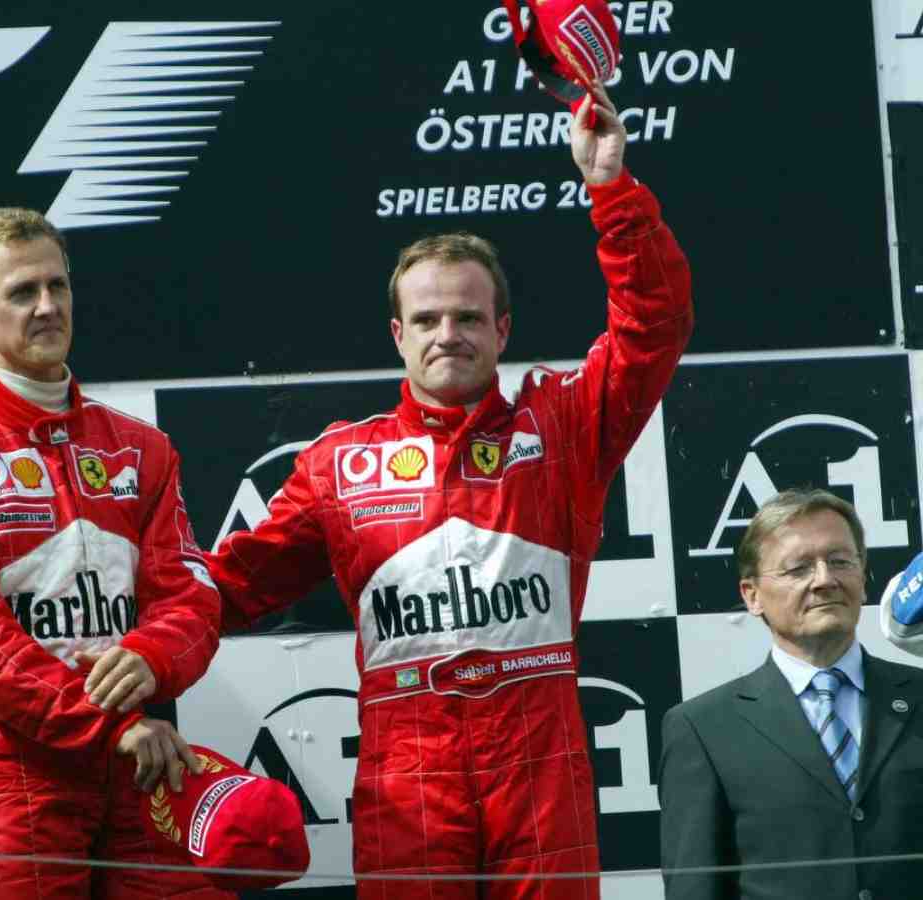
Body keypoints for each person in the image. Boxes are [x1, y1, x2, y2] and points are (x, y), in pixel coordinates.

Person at [201, 81, 692, 898]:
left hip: (540, 763)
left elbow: (656, 325)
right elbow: (229, 588)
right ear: (398, 335)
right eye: (427, 320)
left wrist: (611, 190)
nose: (448, 335)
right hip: (407, 772)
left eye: (468, 317)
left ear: (503, 329)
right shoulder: (340, 464)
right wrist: (131, 643)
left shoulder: (563, 424)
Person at [0, 208, 229, 899]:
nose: (48, 307)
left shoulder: (140, 448)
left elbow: (192, 596)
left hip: (140, 760)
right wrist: (105, 722)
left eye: (58, 286)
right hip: (11, 771)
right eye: (22, 292)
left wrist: (151, 656)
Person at [658, 488, 923, 900]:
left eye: (840, 561)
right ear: (752, 595)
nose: (825, 580)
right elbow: (696, 888)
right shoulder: (702, 729)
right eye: (799, 568)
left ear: (864, 577)